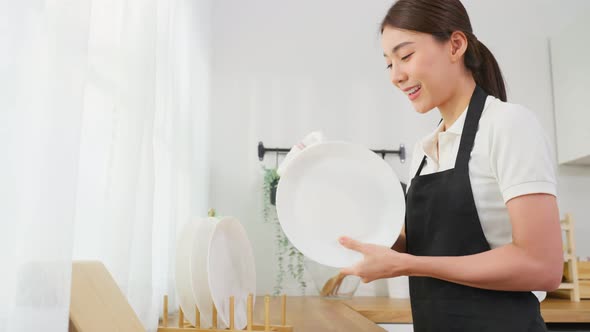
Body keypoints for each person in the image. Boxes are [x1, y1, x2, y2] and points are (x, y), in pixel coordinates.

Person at [338, 0, 563, 331]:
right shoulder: (425, 149)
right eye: (389, 64)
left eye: (405, 56)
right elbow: (422, 247)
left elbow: (542, 266)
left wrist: (408, 265)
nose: (396, 76)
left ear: (456, 45)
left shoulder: (508, 125)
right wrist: (346, 211)